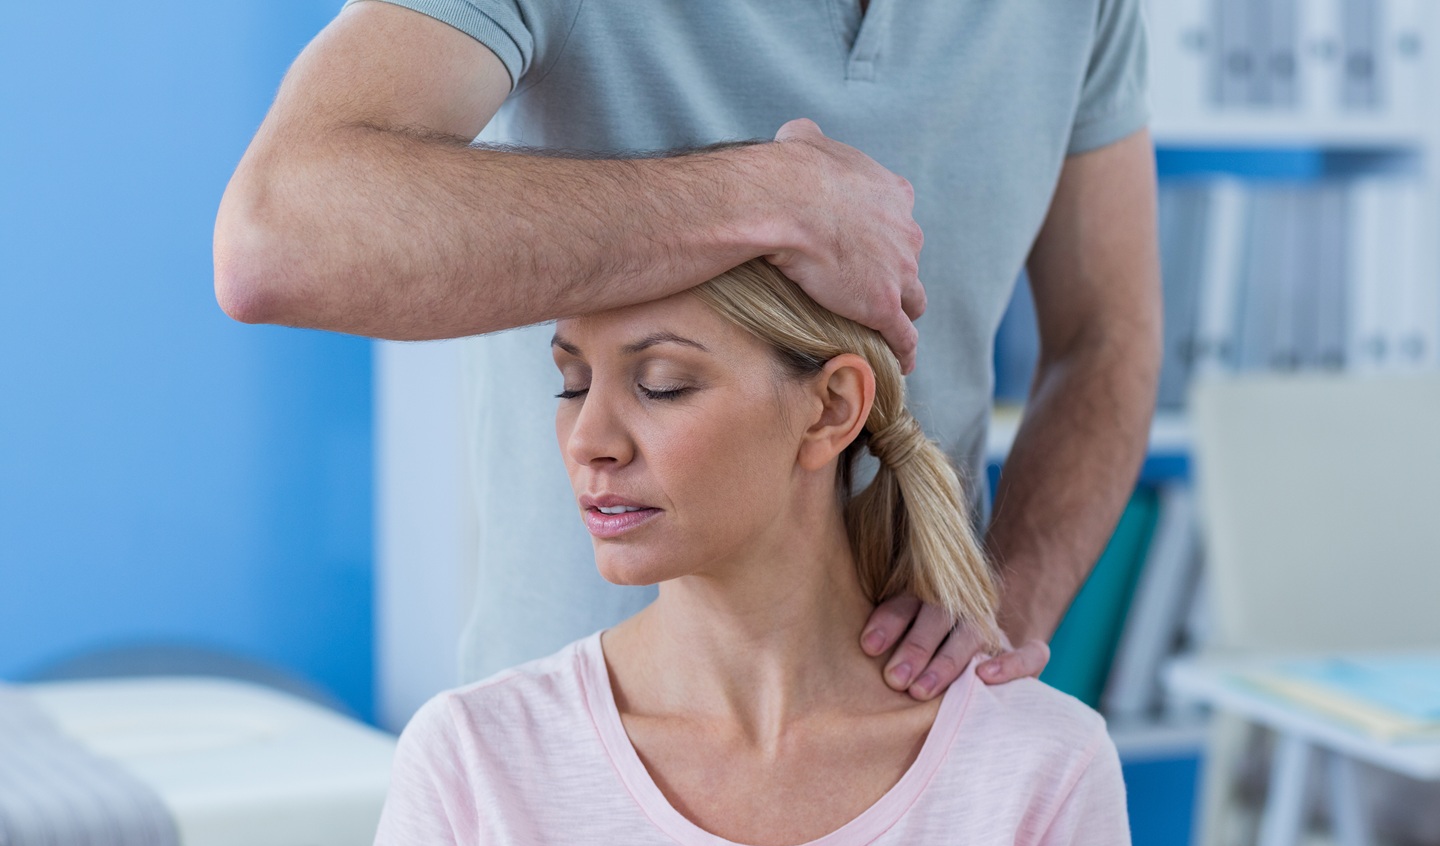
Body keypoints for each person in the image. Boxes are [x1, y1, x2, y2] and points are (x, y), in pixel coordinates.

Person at [214, 0, 1161, 700]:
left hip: (913, 726)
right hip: (580, 746)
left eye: (664, 385)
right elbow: (278, 236)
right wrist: (766, 200)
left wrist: (1001, 601)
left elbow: (1107, 340)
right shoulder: (484, 773)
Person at [350, 260, 1149, 846]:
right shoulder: (474, 761)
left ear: (831, 408)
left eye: (660, 384)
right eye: (573, 382)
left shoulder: (1039, 770)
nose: (588, 438)